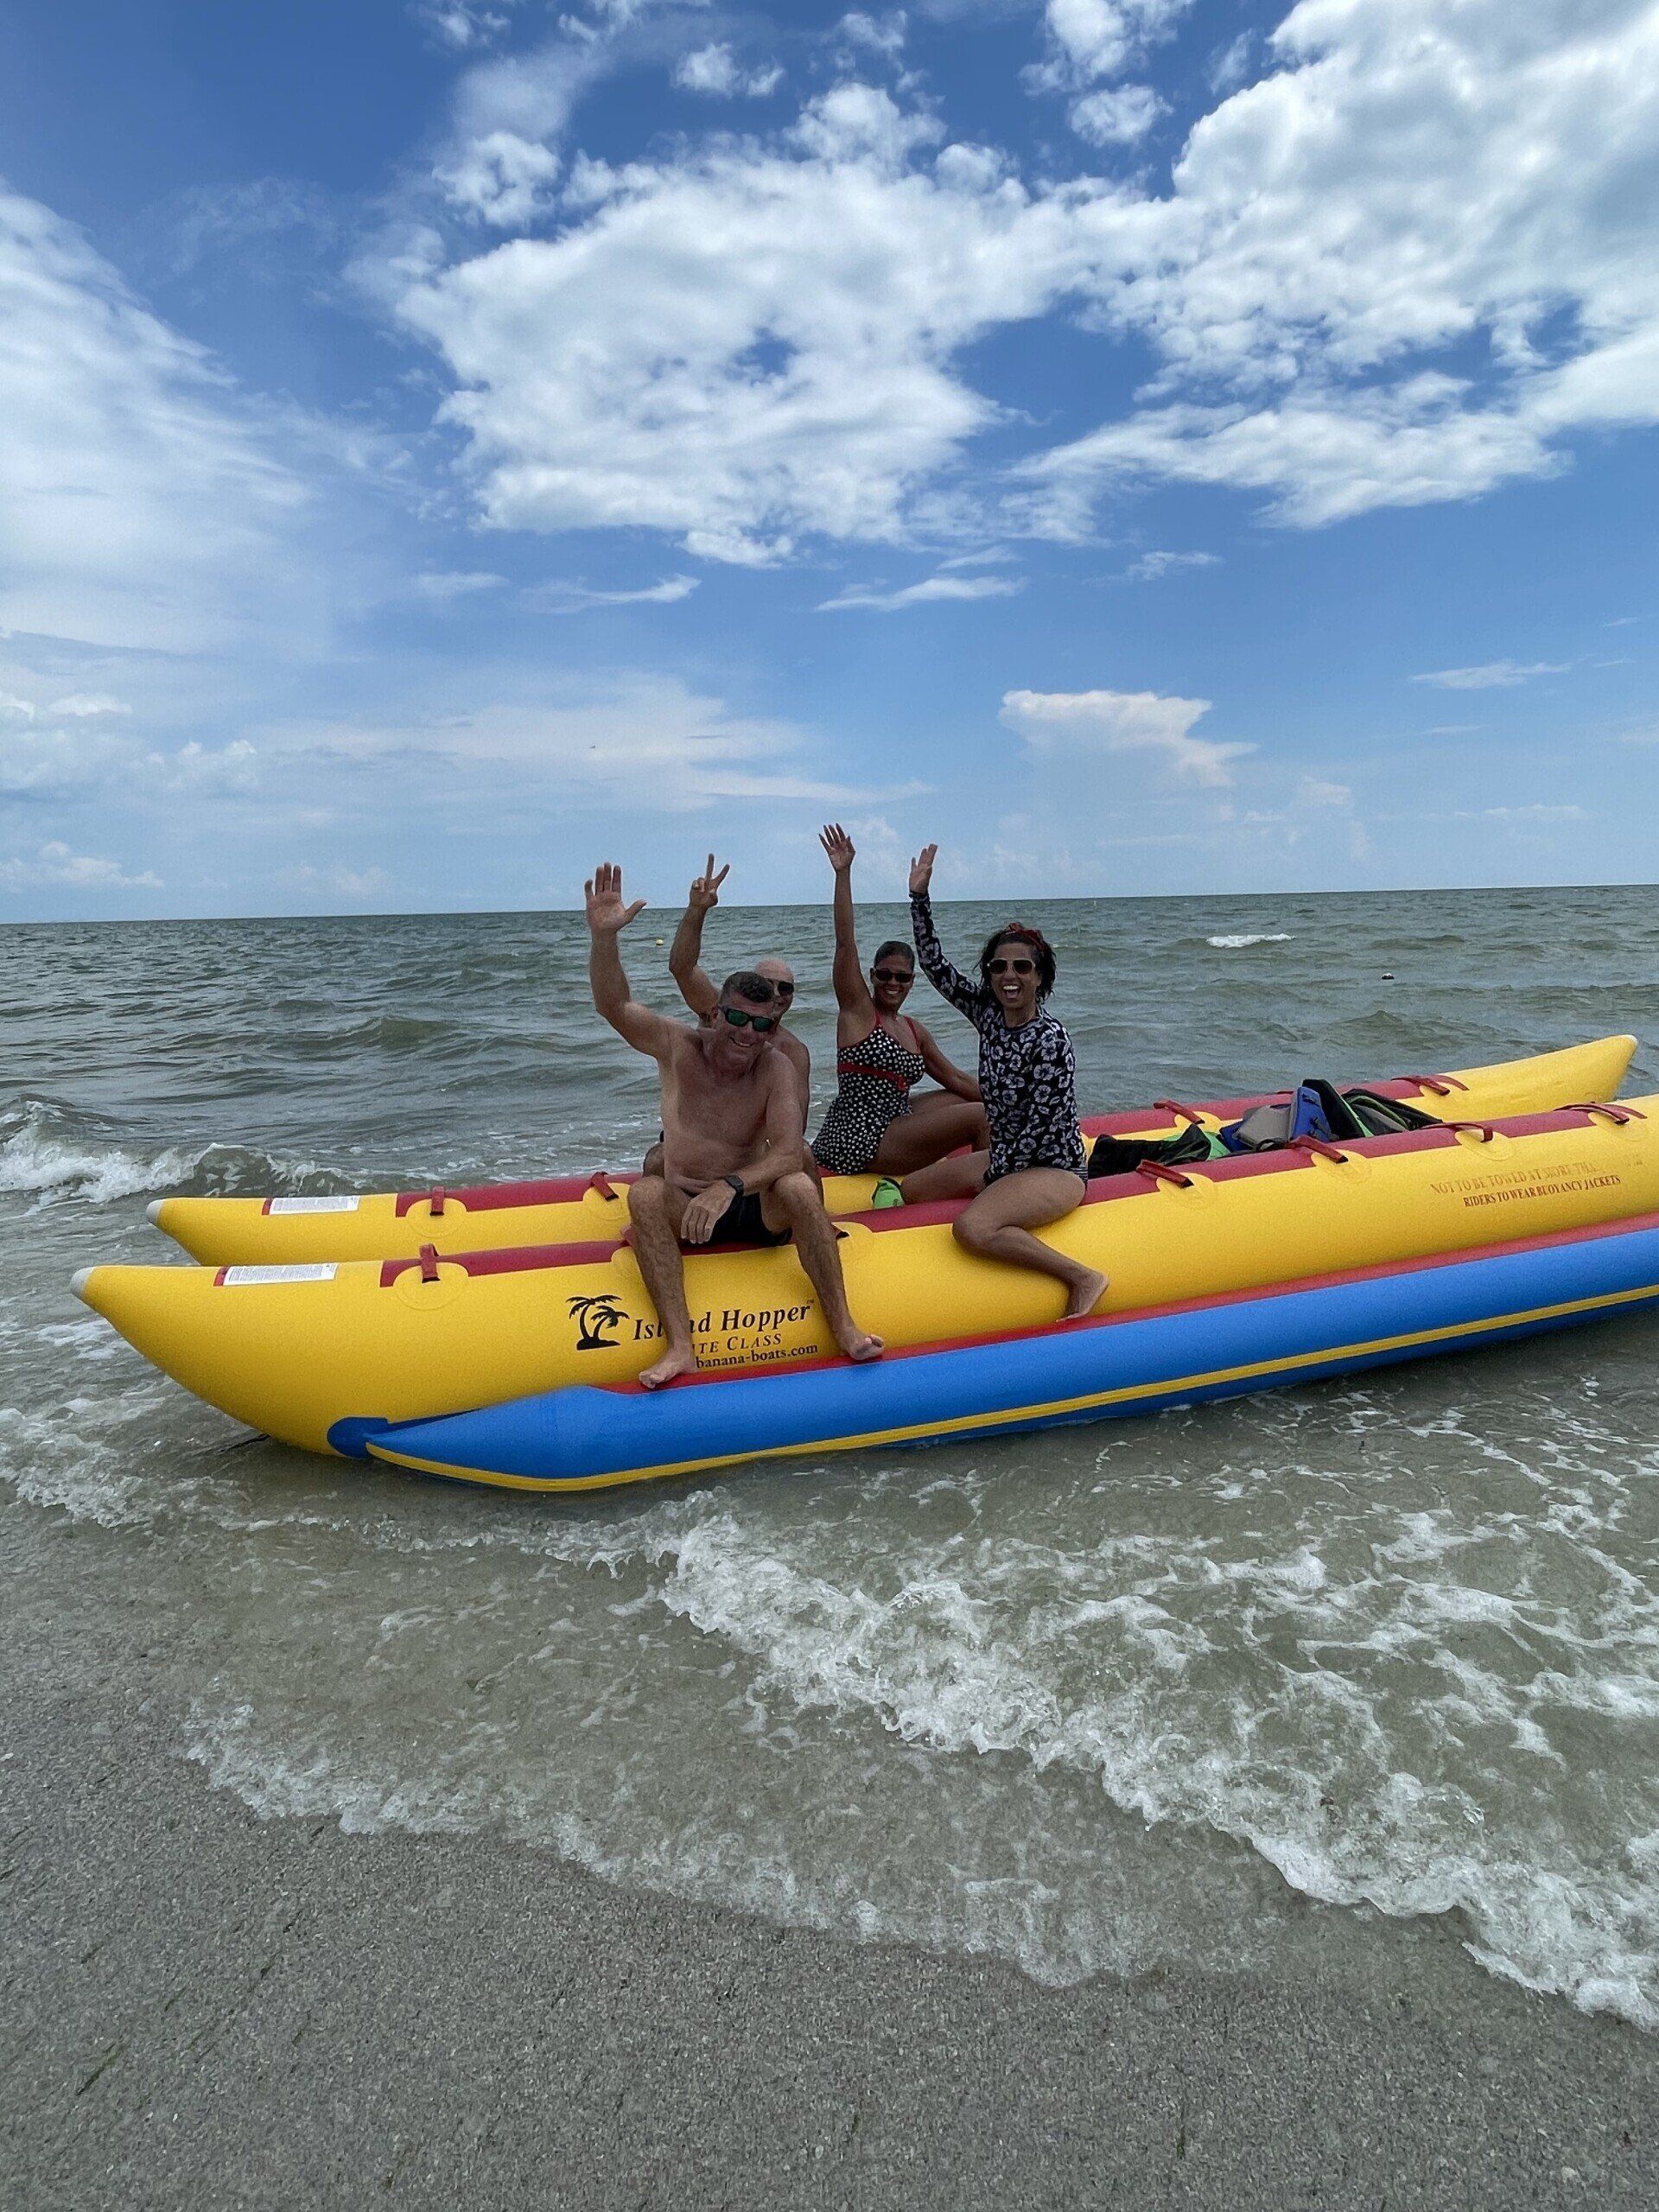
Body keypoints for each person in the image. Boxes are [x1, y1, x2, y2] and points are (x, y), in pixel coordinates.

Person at [585, 862, 882, 1388]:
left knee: (796, 1182)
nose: (749, 1034)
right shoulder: (678, 1046)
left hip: (751, 1204)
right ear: (715, 1014)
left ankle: (843, 1324)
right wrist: (605, 939)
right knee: (646, 1195)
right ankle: (680, 1347)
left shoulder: (778, 1066)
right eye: (739, 1019)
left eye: (763, 1024)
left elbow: (791, 1152)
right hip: (687, 1204)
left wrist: (729, 1188)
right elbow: (615, 1006)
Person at [901, 843, 1104, 1321]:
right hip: (1007, 1159)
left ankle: (1082, 1277)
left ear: (1040, 978)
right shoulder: (989, 1017)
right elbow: (935, 968)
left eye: (1021, 967)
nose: (1008, 975)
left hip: (1053, 1170)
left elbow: (1042, 1124)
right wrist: (918, 898)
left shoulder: (1050, 1039)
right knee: (912, 1190)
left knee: (971, 1229)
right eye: (998, 966)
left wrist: (993, 1180)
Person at [809, 823, 987, 1178]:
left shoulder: (914, 1031)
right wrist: (843, 874)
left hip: (897, 1117)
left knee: (975, 1098)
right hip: (859, 1136)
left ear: (911, 981)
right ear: (872, 976)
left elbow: (953, 1077)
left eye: (902, 977)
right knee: (984, 1115)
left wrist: (1017, 1099)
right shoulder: (858, 1013)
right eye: (885, 975)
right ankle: (986, 1186)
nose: (893, 982)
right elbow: (845, 942)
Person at [668, 854, 811, 1119]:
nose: (777, 994)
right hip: (697, 1128)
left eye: (786, 988)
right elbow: (682, 968)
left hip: (750, 1144)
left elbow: (796, 1119)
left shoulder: (793, 1051)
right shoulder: (719, 1013)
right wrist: (697, 911)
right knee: (656, 1161)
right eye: (768, 985)